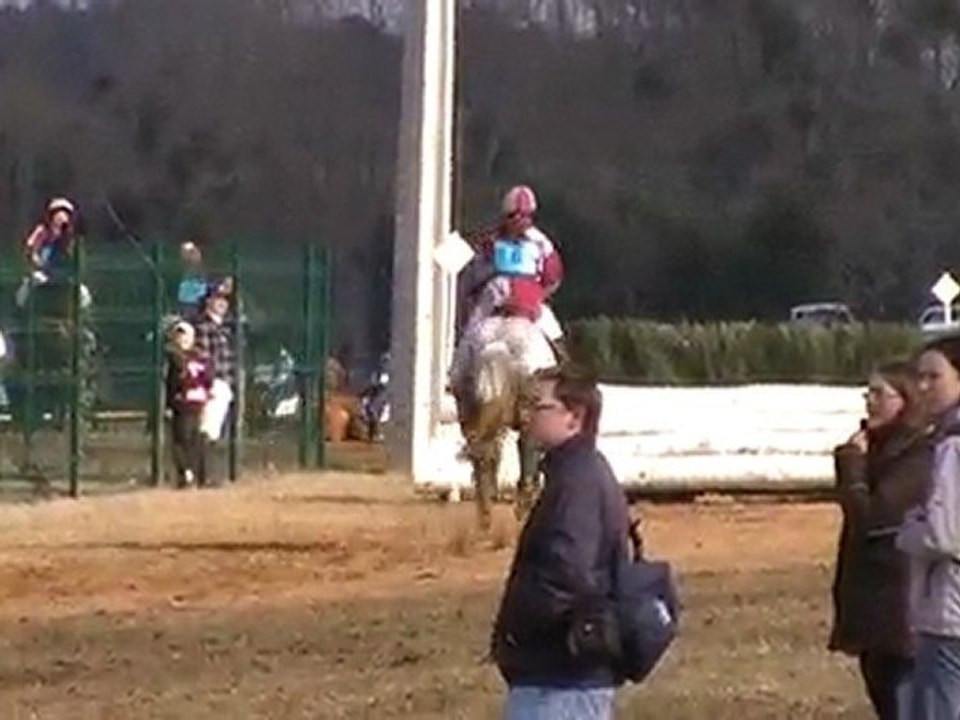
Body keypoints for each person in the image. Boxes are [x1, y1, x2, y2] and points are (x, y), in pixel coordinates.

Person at [491, 367, 629, 720]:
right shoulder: (576, 474)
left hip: (561, 680)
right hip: (561, 675)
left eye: (540, 406)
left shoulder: (577, 484)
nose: (528, 416)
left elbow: (569, 572)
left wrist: (520, 629)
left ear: (575, 417)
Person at [830, 361, 931, 719]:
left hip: (900, 612)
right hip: (876, 611)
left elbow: (871, 518)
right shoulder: (880, 452)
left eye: (879, 393)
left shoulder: (918, 455)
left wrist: (850, 464)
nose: (869, 402)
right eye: (866, 393)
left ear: (906, 400)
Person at [897, 336, 960, 718]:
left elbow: (945, 534)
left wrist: (909, 530)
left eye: (933, 377)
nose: (922, 387)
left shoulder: (953, 446)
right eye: (919, 377)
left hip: (951, 611)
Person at [449, 185, 565, 393]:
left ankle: (562, 377)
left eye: (527, 216)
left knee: (555, 337)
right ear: (505, 216)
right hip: (494, 296)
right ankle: (454, 379)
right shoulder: (489, 241)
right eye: (515, 216)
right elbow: (468, 271)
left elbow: (553, 278)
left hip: (531, 299)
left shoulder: (542, 244)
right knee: (470, 334)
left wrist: (539, 296)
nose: (521, 221)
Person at [193, 285, 237, 484]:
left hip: (225, 382)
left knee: (213, 431)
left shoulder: (224, 326)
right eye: (217, 299)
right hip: (214, 383)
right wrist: (208, 384)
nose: (222, 303)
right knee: (207, 430)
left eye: (224, 299)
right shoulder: (204, 326)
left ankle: (206, 473)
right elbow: (203, 358)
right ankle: (204, 475)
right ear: (208, 301)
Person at [165, 320, 212, 488]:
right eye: (179, 336)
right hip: (190, 402)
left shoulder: (176, 357)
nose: (181, 339)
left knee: (186, 439)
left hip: (188, 402)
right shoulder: (197, 356)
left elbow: (173, 383)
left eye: (184, 336)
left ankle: (190, 473)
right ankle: (193, 474)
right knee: (188, 438)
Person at [176, 241, 208, 319]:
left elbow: (202, 286)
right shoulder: (181, 268)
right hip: (185, 303)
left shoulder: (199, 269)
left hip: (194, 303)